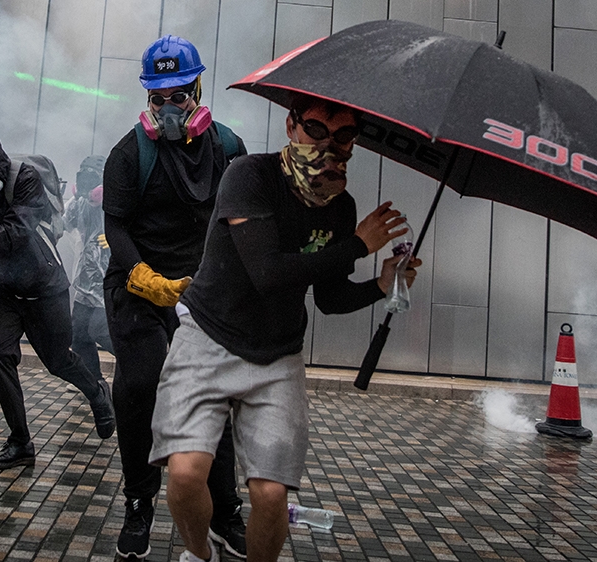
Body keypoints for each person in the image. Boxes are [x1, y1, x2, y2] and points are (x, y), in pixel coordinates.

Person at [150, 95, 422, 562]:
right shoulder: (249, 176)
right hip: (209, 335)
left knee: (272, 492)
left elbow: (331, 299)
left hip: (277, 353)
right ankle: (199, 554)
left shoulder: (340, 207)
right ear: (292, 126)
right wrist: (358, 245)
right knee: (186, 473)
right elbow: (268, 272)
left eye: (343, 135)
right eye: (316, 130)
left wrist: (381, 285)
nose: (329, 144)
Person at [102, 35, 249, 559]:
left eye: (179, 96)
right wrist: (142, 275)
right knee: (140, 384)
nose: (168, 108)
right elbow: (115, 225)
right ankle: (138, 502)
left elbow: (239, 222)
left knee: (213, 392)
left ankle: (225, 511)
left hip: (201, 288)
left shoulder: (228, 149)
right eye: (158, 98)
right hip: (137, 283)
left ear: (198, 92)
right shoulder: (129, 154)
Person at [0, 129, 116, 470]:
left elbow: (12, 236)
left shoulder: (25, 180)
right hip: (4, 286)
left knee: (58, 361)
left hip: (44, 287)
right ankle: (20, 442)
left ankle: (96, 391)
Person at [63, 155, 114, 379]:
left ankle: (141, 364)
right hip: (85, 282)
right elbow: (64, 223)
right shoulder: (81, 203)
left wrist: (117, 239)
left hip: (110, 283)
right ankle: (95, 385)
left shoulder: (118, 203)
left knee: (102, 331)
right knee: (79, 334)